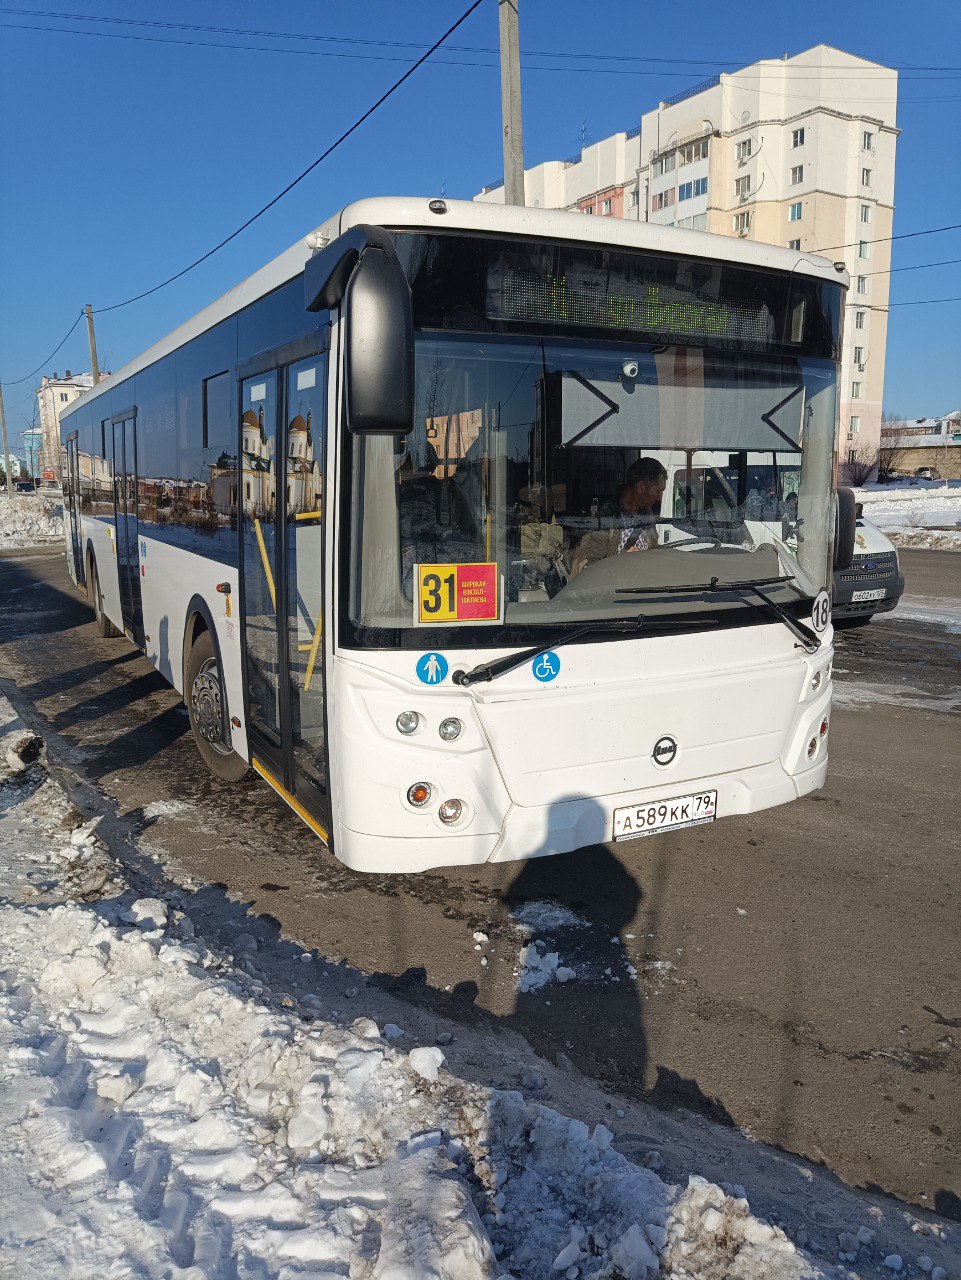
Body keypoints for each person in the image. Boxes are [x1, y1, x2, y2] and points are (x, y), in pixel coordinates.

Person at [570, 457, 667, 576]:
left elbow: (653, 547)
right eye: (658, 491)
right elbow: (586, 567)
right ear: (641, 487)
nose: (659, 498)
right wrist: (623, 562)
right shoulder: (604, 517)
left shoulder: (647, 514)